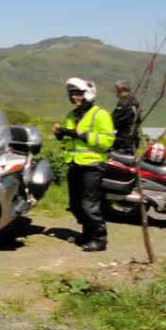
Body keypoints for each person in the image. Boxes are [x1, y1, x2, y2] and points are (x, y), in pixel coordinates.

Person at [53, 77, 115, 252]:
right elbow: (71, 139)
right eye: (71, 93)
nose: (74, 97)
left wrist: (84, 135)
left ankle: (99, 239)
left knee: (89, 204)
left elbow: (108, 141)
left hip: (93, 165)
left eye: (78, 93)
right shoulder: (71, 115)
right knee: (75, 205)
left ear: (88, 94)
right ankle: (87, 234)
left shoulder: (100, 114)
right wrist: (61, 134)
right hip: (74, 164)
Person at [111, 80, 141, 153]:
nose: (116, 93)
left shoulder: (124, 103)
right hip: (133, 140)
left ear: (121, 90)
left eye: (117, 91)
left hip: (122, 140)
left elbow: (114, 120)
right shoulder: (135, 102)